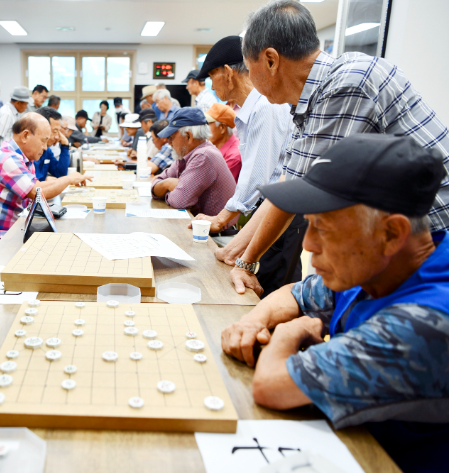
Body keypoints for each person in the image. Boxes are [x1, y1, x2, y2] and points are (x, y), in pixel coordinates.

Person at [222, 134, 448, 473]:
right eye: (309, 225)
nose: (309, 245)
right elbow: (296, 293)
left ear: (391, 234)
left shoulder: (425, 320)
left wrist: (290, 332)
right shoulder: (378, 266)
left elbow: (272, 386)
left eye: (323, 228)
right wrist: (252, 322)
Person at [219, 0, 449, 298]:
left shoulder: (347, 84)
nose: (252, 82)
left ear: (271, 60)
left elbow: (297, 188)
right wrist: (238, 252)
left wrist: (246, 262)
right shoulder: (312, 99)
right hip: (400, 240)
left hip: (433, 238)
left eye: (250, 70)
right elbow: (285, 182)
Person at [192, 35, 298, 297]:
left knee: (268, 291)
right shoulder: (248, 111)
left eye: (212, 77)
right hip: (265, 210)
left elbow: (258, 175)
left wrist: (222, 218)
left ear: (227, 73)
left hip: (282, 212)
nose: (212, 87)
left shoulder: (265, 107)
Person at [0, 113, 91, 237]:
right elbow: (38, 191)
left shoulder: (24, 158)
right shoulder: (7, 159)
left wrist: (67, 179)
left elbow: (37, 185)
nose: (45, 147)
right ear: (25, 136)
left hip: (13, 229)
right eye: (43, 141)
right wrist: (68, 179)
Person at [151, 108, 237, 224]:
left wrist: (168, 188)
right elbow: (156, 184)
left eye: (171, 138)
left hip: (215, 237)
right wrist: (168, 183)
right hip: (200, 230)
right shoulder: (185, 153)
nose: (169, 143)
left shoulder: (204, 155)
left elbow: (179, 201)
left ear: (188, 136)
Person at [0, 86, 30, 157]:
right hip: (2, 156)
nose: (26, 107)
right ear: (18, 103)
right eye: (26, 104)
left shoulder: (14, 113)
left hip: (8, 154)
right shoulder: (7, 113)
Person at [205, 103, 241, 181]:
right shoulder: (213, 148)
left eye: (207, 124)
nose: (204, 129)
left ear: (222, 128)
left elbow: (211, 187)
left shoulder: (233, 157)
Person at [33, 107, 70, 181]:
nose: (57, 137)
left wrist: (65, 145)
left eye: (59, 132)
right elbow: (32, 186)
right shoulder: (29, 151)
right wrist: (44, 180)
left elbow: (60, 174)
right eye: (55, 131)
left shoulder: (47, 151)